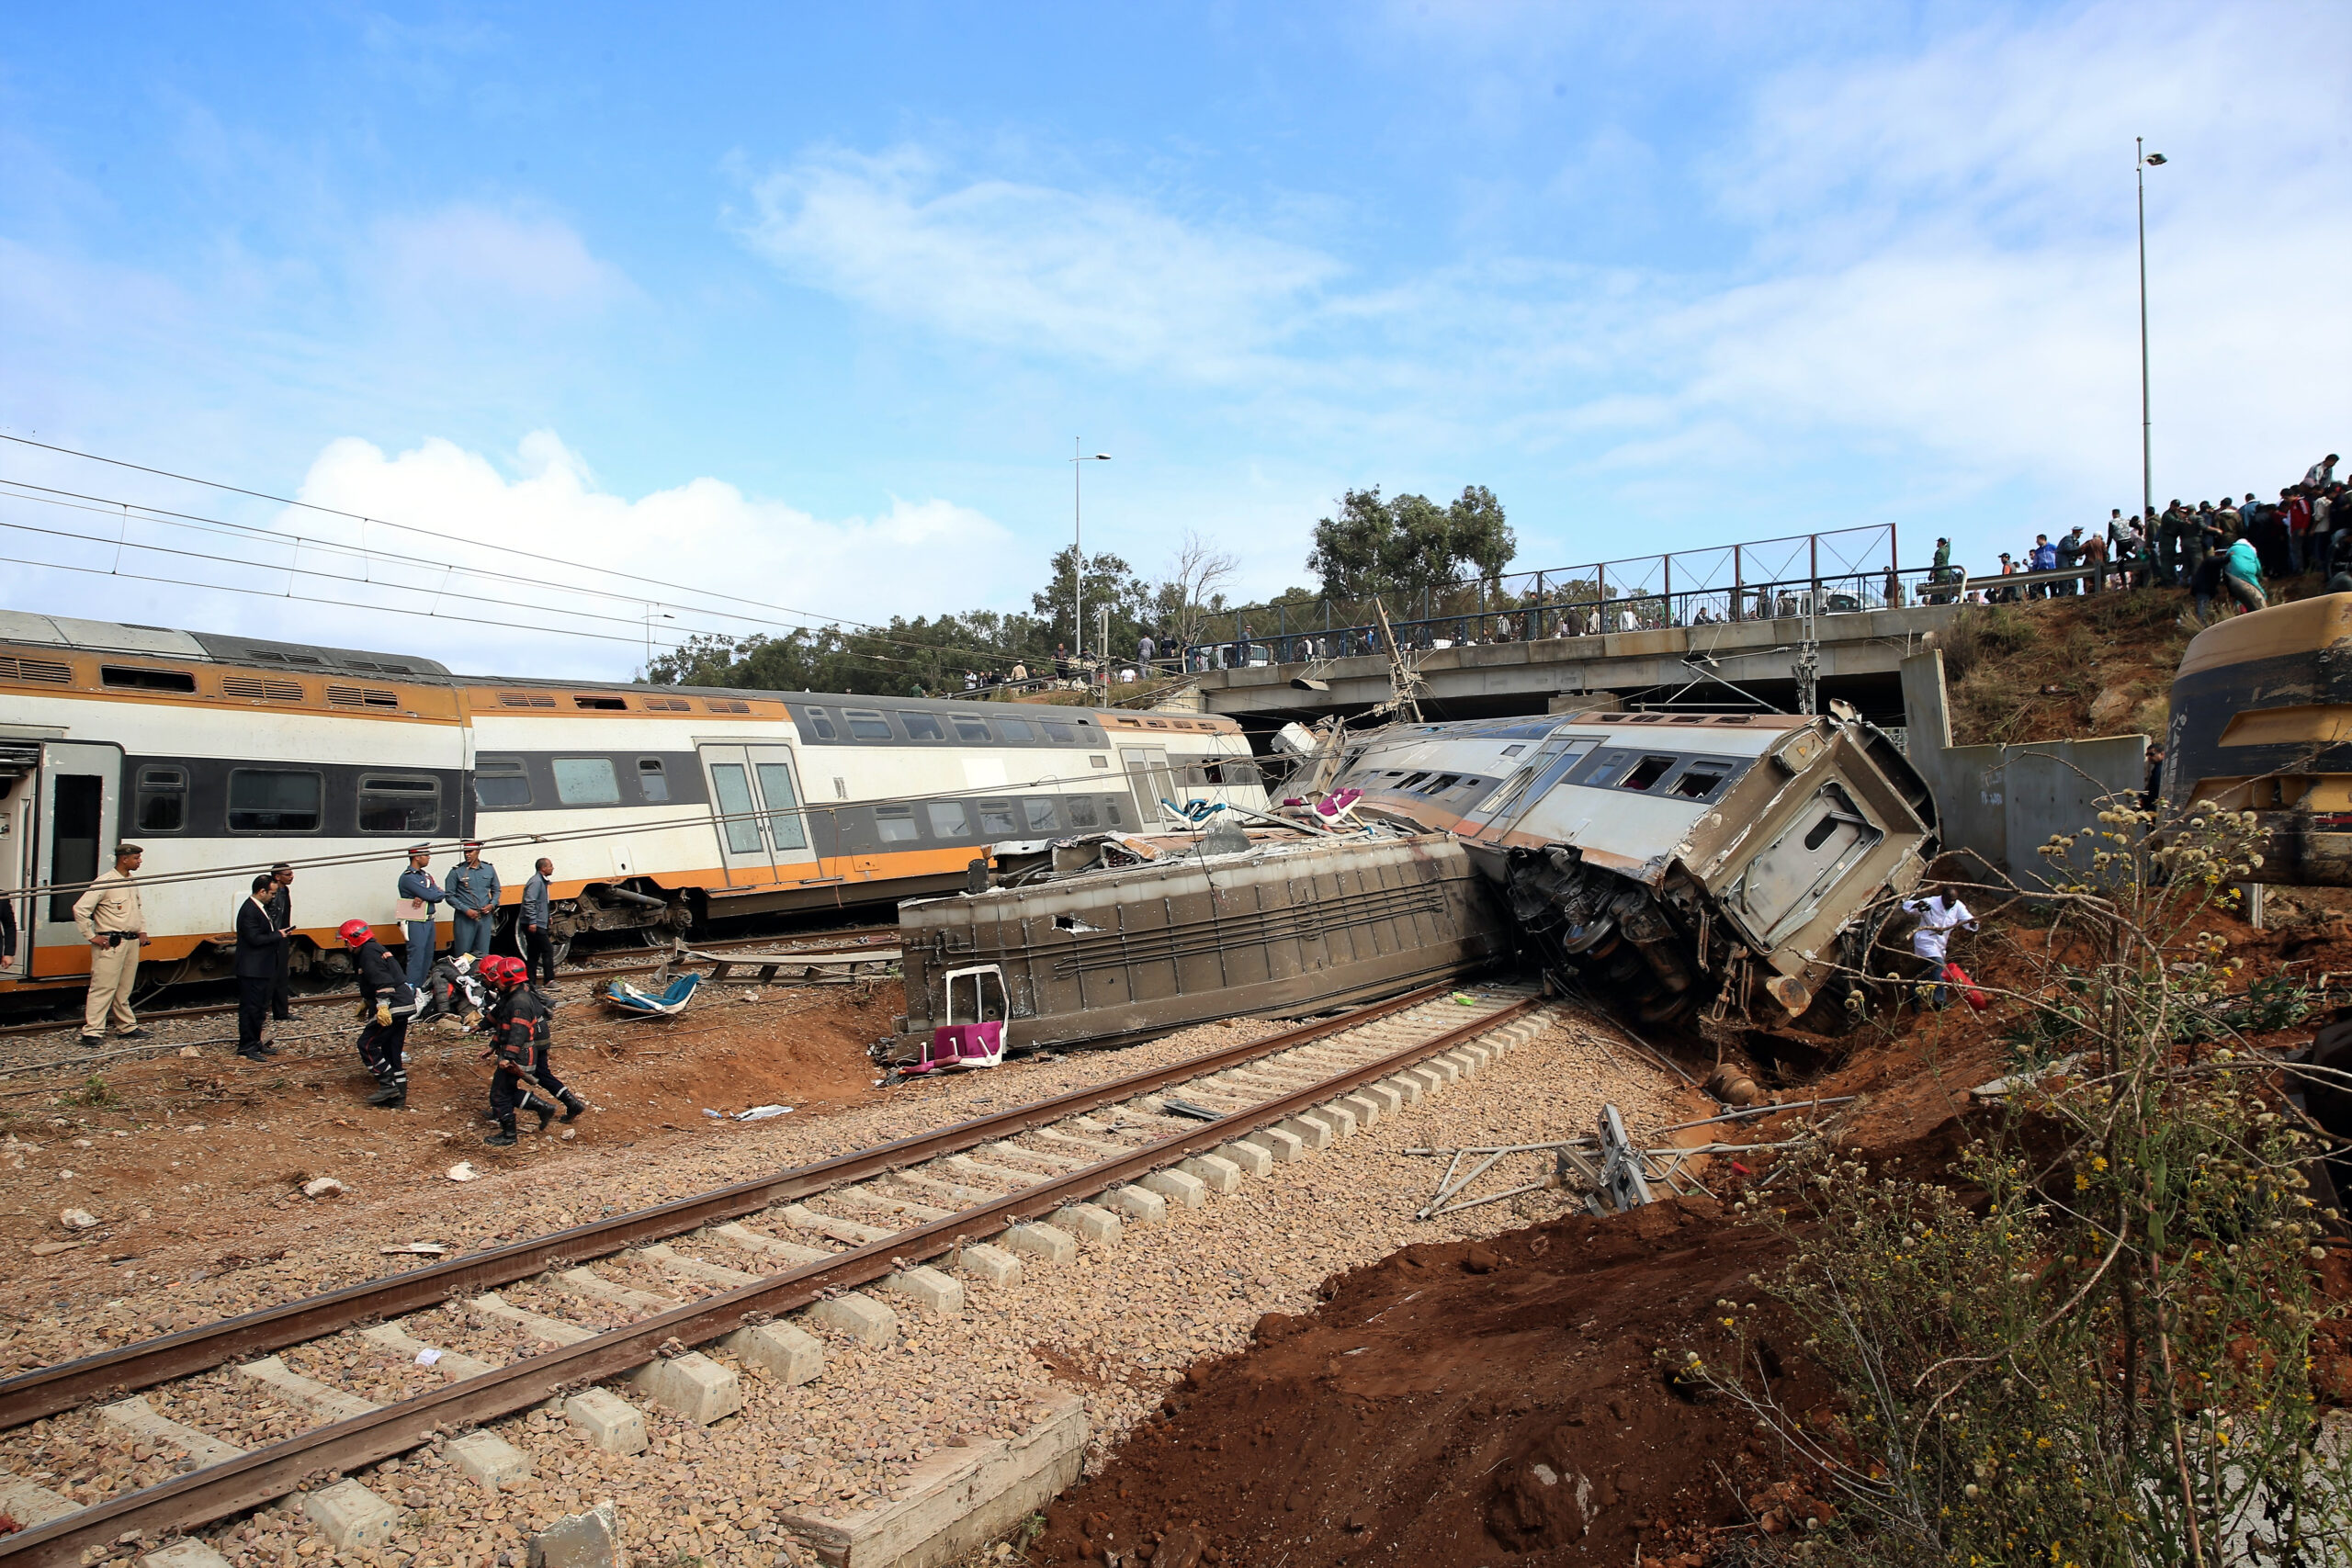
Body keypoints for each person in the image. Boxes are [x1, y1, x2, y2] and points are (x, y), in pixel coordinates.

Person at [477, 954, 582, 1145]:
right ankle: (509, 1108)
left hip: (532, 1039)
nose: (487, 981)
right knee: (515, 1083)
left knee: (536, 1075)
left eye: (489, 976)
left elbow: (514, 1027)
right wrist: (489, 1035)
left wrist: (508, 1055)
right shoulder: (512, 992)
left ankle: (559, 1105)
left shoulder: (518, 999)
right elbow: (501, 1017)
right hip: (528, 1038)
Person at [71, 844, 150, 1045]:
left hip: (130, 942)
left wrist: (141, 931)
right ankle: (92, 1031)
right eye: (136, 858)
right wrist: (91, 936)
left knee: (124, 988)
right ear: (124, 859)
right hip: (111, 943)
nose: (139, 861)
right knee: (103, 987)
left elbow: (137, 909)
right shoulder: (105, 882)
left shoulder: (131, 881)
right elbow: (80, 909)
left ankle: (126, 1026)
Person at [339, 919, 415, 1110]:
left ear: (353, 940)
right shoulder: (376, 949)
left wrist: (381, 1005)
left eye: (346, 941)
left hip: (393, 1005)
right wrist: (367, 1001)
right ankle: (398, 1099)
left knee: (366, 1044)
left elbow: (382, 981)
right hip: (403, 1003)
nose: (345, 945)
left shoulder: (368, 953)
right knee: (392, 1052)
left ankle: (387, 1085)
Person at [1900, 889, 1981, 1010]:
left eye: (1953, 901)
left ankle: (1913, 994)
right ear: (1942, 897)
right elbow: (1906, 906)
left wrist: (1973, 924)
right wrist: (1917, 905)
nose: (1951, 903)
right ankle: (1940, 1001)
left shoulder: (1958, 906)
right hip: (1925, 941)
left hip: (1940, 944)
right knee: (1939, 966)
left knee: (1929, 971)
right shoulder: (1931, 902)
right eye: (1949, 900)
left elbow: (1967, 920)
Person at [232, 874, 283, 1062]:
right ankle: (246, 1046)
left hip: (261, 968)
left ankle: (255, 1042)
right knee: (251, 1008)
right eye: (271, 893)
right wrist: (278, 935)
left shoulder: (259, 908)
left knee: (260, 1008)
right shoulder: (249, 910)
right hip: (252, 969)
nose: (273, 897)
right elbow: (255, 939)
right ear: (261, 892)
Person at [394, 845, 444, 989]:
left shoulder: (425, 876)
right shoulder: (408, 877)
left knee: (427, 957)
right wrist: (429, 895)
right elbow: (432, 894)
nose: (429, 857)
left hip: (428, 920)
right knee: (416, 958)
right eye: (426, 854)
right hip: (415, 921)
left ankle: (420, 989)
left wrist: (428, 895)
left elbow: (439, 895)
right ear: (416, 857)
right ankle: (412, 990)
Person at [446, 840, 501, 959]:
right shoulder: (456, 871)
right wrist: (465, 910)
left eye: (470, 852)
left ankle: (479, 977)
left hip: (484, 918)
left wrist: (492, 904)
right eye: (465, 852)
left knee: (483, 954)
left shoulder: (489, 869)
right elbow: (449, 896)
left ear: (478, 851)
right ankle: (463, 978)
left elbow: (496, 890)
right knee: (463, 956)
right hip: (465, 919)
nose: (467, 855)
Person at [265, 863, 295, 1027]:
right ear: (277, 876)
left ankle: (281, 1012)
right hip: (276, 936)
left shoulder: (284, 890)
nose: (291, 876)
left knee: (282, 974)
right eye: (287, 874)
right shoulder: (274, 893)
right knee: (273, 974)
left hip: (282, 935)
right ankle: (269, 1010)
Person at [522, 857, 557, 991]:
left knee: (534, 952)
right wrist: (532, 921)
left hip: (537, 922)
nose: (552, 868)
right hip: (534, 923)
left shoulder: (541, 882)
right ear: (543, 868)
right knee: (547, 949)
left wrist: (547, 916)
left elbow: (542, 903)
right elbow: (530, 902)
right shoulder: (536, 882)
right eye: (550, 866)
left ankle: (530, 981)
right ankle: (549, 980)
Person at [2222, 531, 2267, 614]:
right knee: (2257, 590)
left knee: (2241, 592)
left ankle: (2243, 611)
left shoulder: (2232, 549)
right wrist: (2260, 576)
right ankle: (2264, 608)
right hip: (2251, 571)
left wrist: (2226, 576)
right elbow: (2258, 566)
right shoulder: (2251, 550)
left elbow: (2225, 562)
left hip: (2237, 572)